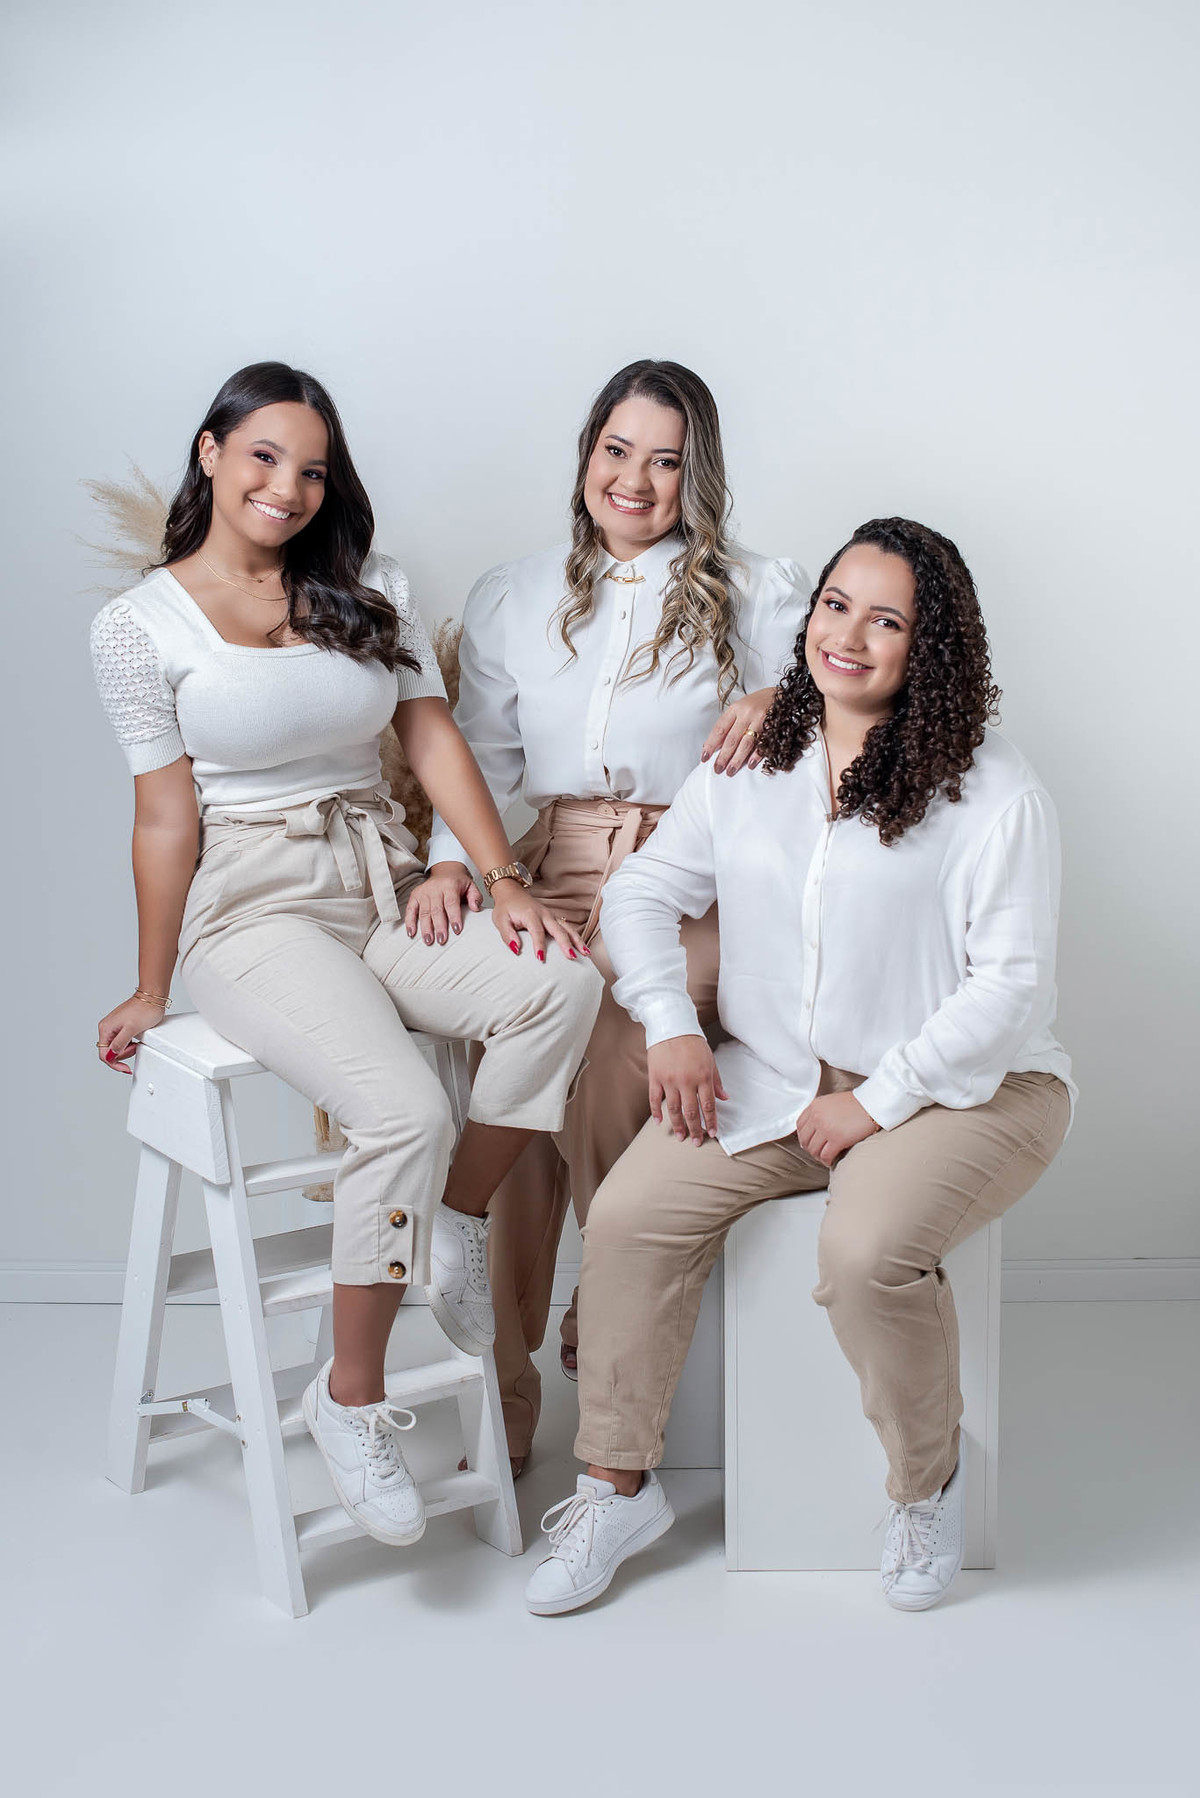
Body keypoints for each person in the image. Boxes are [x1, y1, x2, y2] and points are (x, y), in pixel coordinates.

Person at [91, 361, 601, 1551]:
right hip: (251, 908)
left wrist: (499, 877)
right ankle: (349, 1396)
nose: (288, 488)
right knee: (403, 1110)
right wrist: (153, 985)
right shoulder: (139, 627)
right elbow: (164, 819)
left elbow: (429, 738)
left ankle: (458, 1216)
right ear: (211, 451)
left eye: (313, 470)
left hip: (381, 880)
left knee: (561, 985)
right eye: (264, 456)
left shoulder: (370, 585)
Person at [526, 516, 1075, 1614]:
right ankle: (615, 1487)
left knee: (865, 1253)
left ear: (932, 646)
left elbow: (1008, 989)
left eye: (887, 621)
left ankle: (928, 1484)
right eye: (835, 606)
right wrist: (670, 1022)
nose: (849, 637)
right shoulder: (755, 761)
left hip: (971, 1090)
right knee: (629, 1215)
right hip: (779, 1077)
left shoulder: (994, 790)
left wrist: (878, 1101)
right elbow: (643, 892)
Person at [410, 359, 809, 1469]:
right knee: (513, 1061)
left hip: (691, 875)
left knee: (618, 1044)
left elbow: (844, 698)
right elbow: (481, 755)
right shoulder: (514, 591)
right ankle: (505, 1379)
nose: (634, 479)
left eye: (666, 461)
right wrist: (451, 863)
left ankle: (611, 1289)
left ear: (699, 475)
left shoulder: (759, 590)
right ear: (587, 454)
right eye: (616, 450)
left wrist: (782, 696)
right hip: (545, 861)